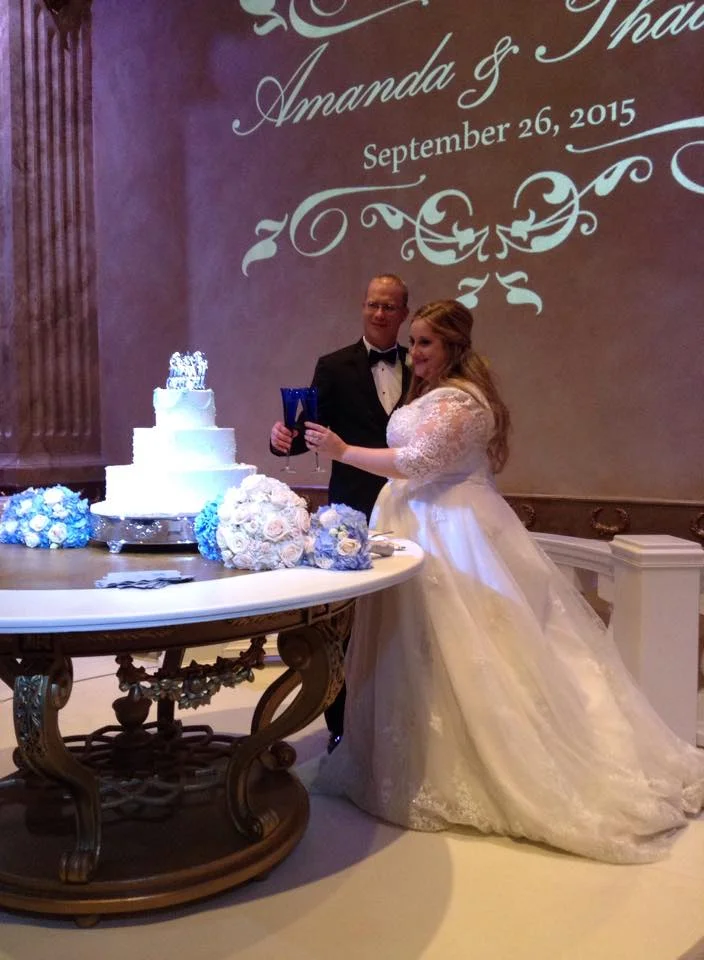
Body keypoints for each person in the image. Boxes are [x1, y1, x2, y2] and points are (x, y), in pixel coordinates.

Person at [302, 299, 704, 863]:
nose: (414, 352)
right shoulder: (435, 393)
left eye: (426, 343)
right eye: (413, 341)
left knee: (469, 648)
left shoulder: (463, 402)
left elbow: (417, 462)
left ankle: (483, 763)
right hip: (419, 523)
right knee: (416, 650)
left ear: (452, 347)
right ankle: (404, 756)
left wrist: (343, 451)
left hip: (452, 533)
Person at [270, 274, 412, 752]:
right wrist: (280, 442)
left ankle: (400, 719)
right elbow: (306, 428)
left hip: (415, 507)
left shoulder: (423, 367)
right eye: (372, 304)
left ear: (403, 314)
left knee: (405, 617)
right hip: (353, 507)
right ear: (362, 307)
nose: (379, 313)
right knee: (346, 623)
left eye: (389, 307)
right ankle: (342, 726)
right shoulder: (333, 366)